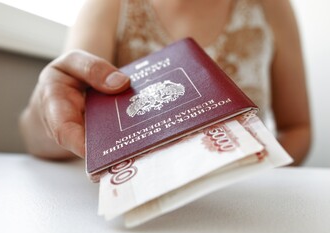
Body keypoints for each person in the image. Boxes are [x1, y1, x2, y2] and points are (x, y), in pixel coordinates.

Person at [19, 0, 312, 166]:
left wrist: (259, 171)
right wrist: (50, 113)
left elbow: (297, 128)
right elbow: (51, 129)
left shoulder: (270, 7)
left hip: (245, 206)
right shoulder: (110, 7)